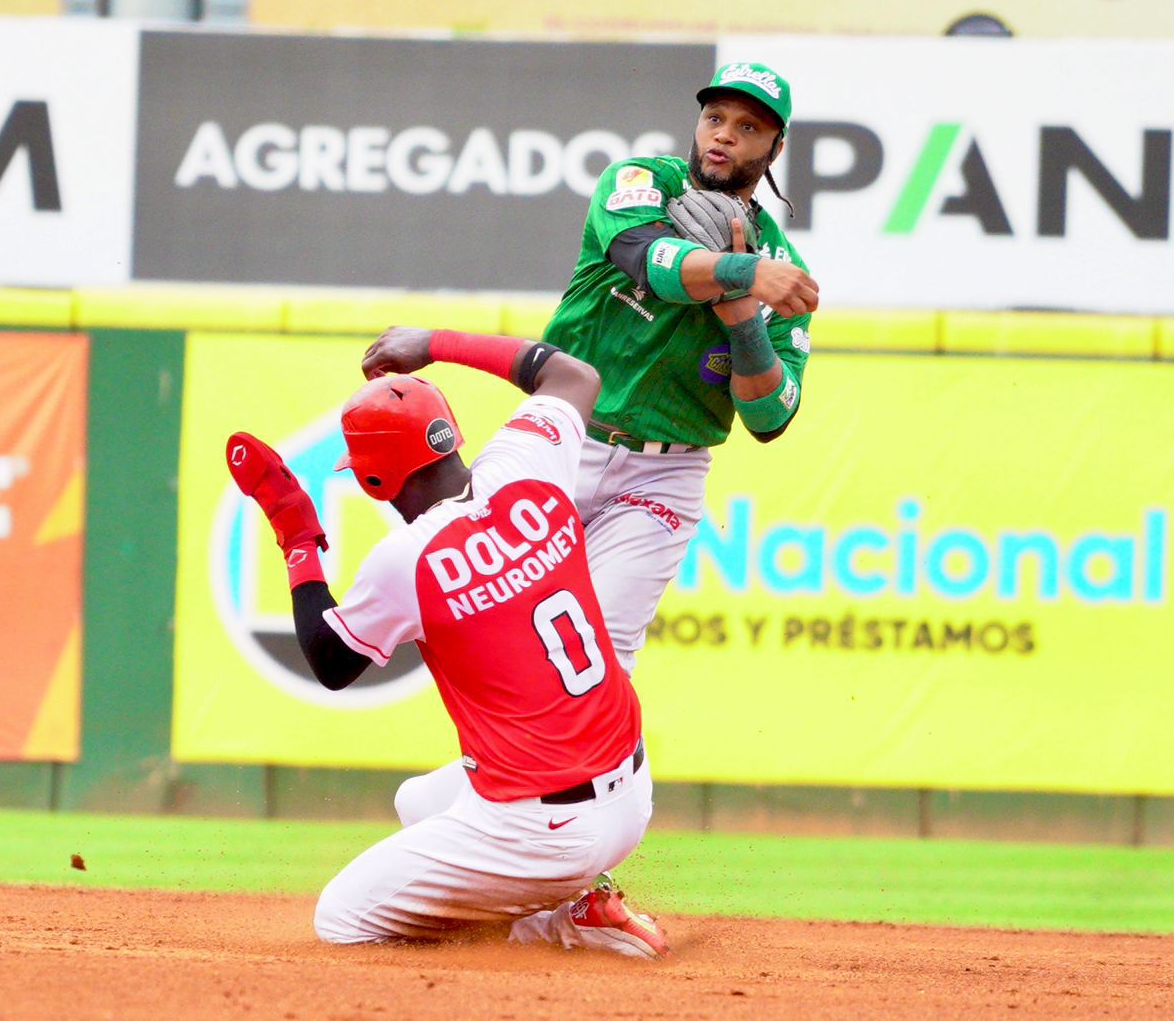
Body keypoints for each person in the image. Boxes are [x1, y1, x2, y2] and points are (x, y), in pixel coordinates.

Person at [226, 326, 668, 959]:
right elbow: (576, 377)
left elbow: (329, 661)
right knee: (419, 801)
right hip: (631, 793)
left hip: (541, 830)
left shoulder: (408, 557)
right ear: (450, 437)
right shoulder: (526, 465)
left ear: (377, 482)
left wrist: (298, 536)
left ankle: (563, 921)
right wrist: (432, 342)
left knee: (340, 919)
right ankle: (586, 894)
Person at [539, 60, 819, 675]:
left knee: (597, 658)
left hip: (664, 475)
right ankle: (484, 773)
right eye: (714, 117)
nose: (723, 134)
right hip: (562, 439)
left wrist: (743, 315)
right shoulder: (639, 178)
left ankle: (598, 775)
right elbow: (649, 260)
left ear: (775, 147)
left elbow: (770, 417)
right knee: (495, 628)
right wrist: (744, 275)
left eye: (747, 127)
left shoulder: (780, 260)